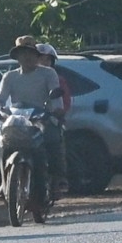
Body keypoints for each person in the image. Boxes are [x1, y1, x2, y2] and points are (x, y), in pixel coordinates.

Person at [0, 36, 64, 199]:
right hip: (17, 121)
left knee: (53, 140)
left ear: (37, 55)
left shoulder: (48, 74)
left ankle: (55, 181)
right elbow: (0, 98)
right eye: (22, 53)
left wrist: (57, 109)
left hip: (40, 120)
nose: (27, 57)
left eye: (30, 53)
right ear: (17, 57)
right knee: (0, 143)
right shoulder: (10, 77)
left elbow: (56, 97)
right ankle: (3, 183)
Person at [35, 43, 71, 193]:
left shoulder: (57, 79)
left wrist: (58, 112)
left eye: (48, 60)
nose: (45, 63)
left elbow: (65, 101)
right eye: (41, 59)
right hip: (26, 120)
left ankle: (59, 178)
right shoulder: (18, 76)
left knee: (54, 141)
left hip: (48, 119)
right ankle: (5, 183)